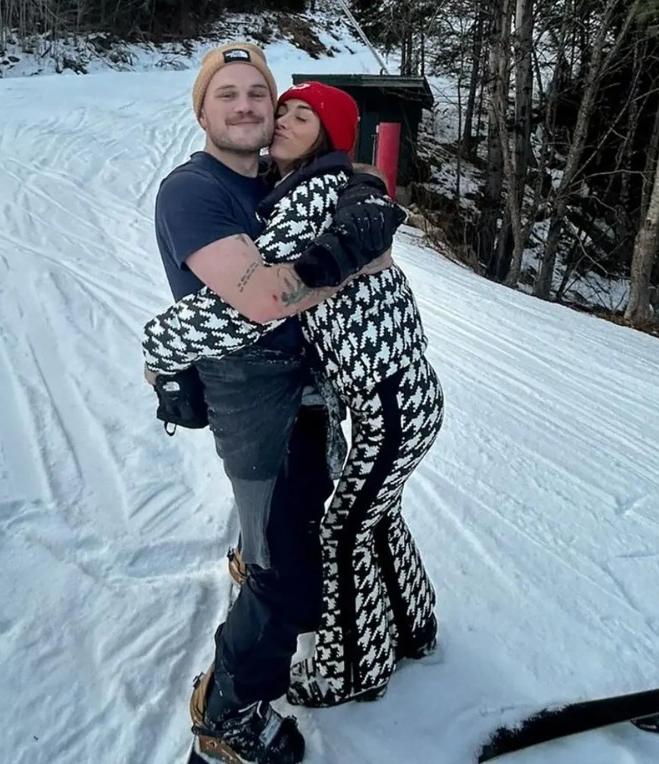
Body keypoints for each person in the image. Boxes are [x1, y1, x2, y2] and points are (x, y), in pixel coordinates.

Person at [143, 79, 444, 714]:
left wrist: (161, 346)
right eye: (283, 111)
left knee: (342, 531)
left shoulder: (311, 195)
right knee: (371, 516)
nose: (277, 120)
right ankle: (415, 626)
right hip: (398, 397)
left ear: (329, 135)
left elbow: (253, 302)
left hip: (389, 401)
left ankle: (353, 669)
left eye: (299, 115)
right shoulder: (312, 189)